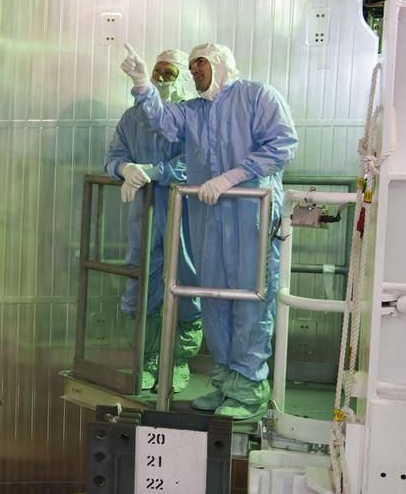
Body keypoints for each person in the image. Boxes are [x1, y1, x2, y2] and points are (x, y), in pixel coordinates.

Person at [120, 42, 298, 420]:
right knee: (213, 296)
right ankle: (225, 379)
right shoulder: (193, 111)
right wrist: (142, 86)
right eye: (193, 65)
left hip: (251, 213)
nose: (195, 70)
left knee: (251, 295)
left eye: (200, 63)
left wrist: (233, 177)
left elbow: (282, 144)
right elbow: (163, 124)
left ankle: (249, 386)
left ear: (220, 64)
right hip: (208, 218)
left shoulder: (257, 96)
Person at [104, 50, 203, 395]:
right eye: (157, 72)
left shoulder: (193, 116)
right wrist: (125, 169)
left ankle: (177, 361)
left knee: (187, 283)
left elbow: (196, 162)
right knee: (144, 282)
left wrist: (155, 171)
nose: (160, 78)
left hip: (186, 214)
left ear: (182, 80)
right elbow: (113, 158)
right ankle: (146, 360)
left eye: (168, 73)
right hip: (145, 215)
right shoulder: (132, 119)